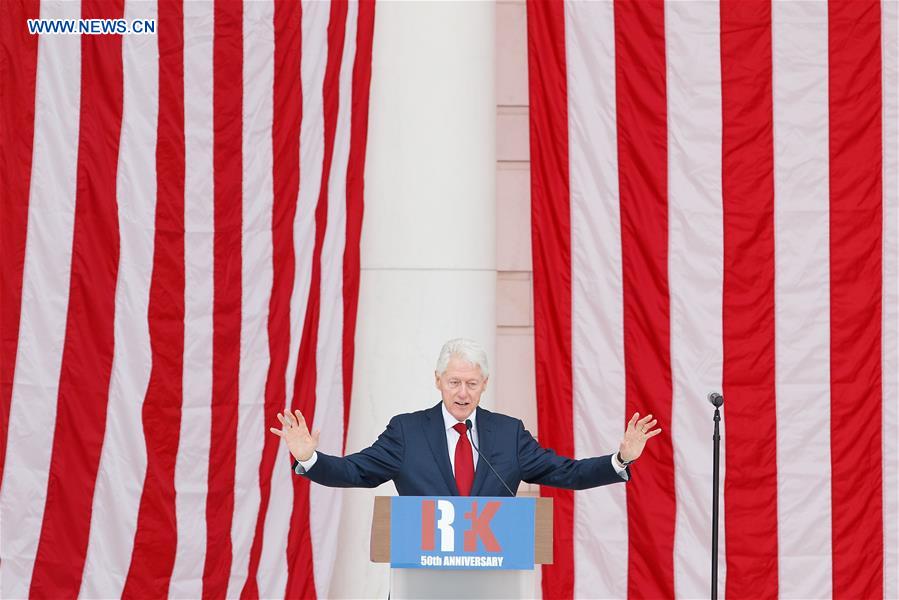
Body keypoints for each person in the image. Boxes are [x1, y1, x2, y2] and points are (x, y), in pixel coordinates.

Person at [270, 338, 661, 496]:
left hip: (489, 581)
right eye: (454, 382)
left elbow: (567, 473)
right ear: (438, 381)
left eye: (471, 384)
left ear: (484, 384)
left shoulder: (508, 433)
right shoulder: (406, 430)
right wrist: (310, 459)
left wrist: (621, 459)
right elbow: (358, 472)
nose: (462, 393)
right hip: (420, 579)